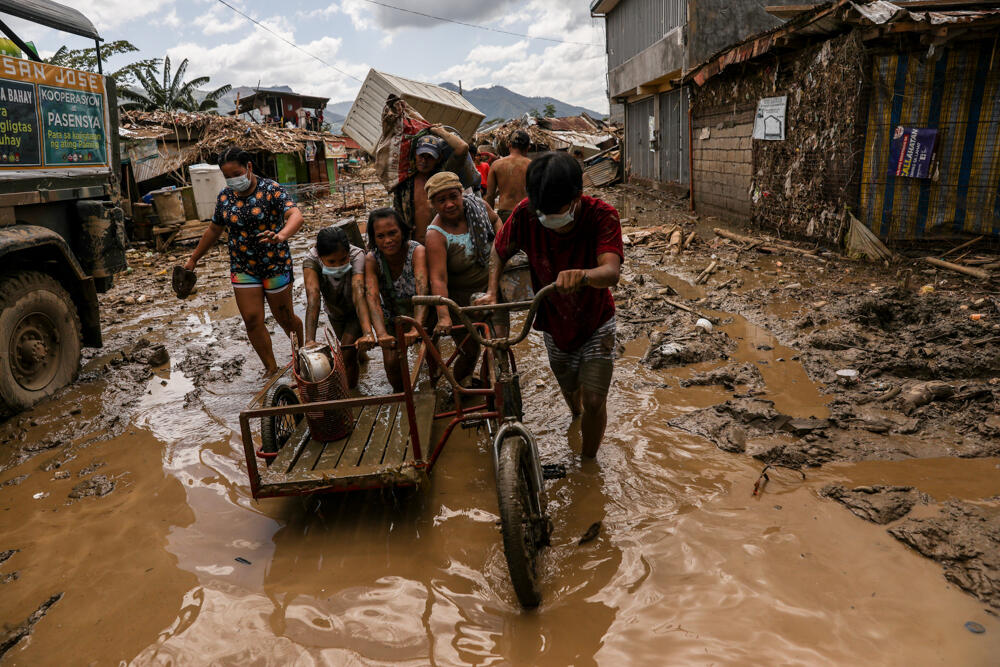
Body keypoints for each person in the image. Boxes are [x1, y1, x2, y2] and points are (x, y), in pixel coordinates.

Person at [476, 152, 623, 458]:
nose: (550, 219)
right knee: (571, 389)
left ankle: (588, 462)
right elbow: (499, 250)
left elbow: (611, 272)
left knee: (595, 400)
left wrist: (583, 275)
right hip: (553, 319)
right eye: (544, 212)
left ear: (577, 196)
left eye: (557, 211)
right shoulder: (525, 213)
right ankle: (575, 414)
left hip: (596, 320)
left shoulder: (602, 215)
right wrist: (492, 291)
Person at [184, 146, 304, 379]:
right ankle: (270, 368)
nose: (232, 180)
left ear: (249, 167)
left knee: (285, 318)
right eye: (227, 176)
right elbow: (214, 229)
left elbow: (295, 215)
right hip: (243, 267)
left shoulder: (272, 190)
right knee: (251, 319)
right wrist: (193, 259)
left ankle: (301, 358)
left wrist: (280, 236)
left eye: (236, 174)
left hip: (275, 264)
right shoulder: (225, 197)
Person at [423, 171, 501, 382]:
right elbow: (438, 279)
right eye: (441, 200)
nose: (449, 204)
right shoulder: (435, 234)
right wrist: (444, 316)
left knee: (499, 345)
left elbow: (496, 222)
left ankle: (494, 392)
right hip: (461, 302)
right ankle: (459, 392)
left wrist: (501, 249)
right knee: (469, 352)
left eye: (453, 197)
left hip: (492, 290)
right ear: (433, 204)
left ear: (461, 194)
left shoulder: (479, 208)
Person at [363, 208, 430, 392]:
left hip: (420, 312)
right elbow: (372, 298)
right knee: (392, 364)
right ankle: (402, 398)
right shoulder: (372, 259)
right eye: (381, 236)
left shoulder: (417, 251)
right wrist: (381, 334)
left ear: (403, 231)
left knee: (432, 355)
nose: (388, 240)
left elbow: (422, 290)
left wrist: (417, 327)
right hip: (393, 314)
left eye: (393, 233)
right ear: (374, 239)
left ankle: (431, 391)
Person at [302, 226, 375, 388]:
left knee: (346, 353)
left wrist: (369, 332)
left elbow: (358, 293)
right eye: (331, 262)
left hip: (357, 310)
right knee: (352, 349)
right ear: (321, 257)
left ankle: (351, 394)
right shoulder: (311, 260)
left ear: (348, 253)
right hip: (334, 311)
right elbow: (313, 298)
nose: (337, 266)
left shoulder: (357, 255)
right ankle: (363, 360)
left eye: (343, 260)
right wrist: (309, 340)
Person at [392, 124, 476, 245]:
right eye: (421, 156)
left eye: (430, 157)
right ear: (415, 155)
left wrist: (439, 131)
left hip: (445, 245)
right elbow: (398, 215)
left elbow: (462, 147)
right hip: (415, 246)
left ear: (438, 158)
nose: (424, 161)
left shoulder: (444, 176)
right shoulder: (405, 185)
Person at [486, 129, 532, 223]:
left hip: (505, 215)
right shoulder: (533, 165)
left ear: (509, 144)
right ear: (528, 147)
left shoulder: (496, 165)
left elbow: (490, 196)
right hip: (527, 214)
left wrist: (490, 221)